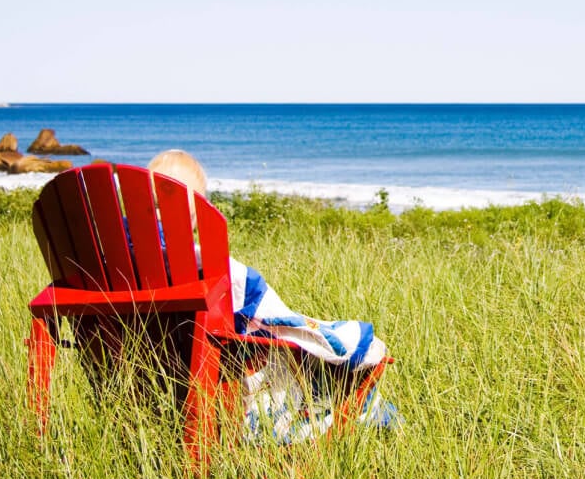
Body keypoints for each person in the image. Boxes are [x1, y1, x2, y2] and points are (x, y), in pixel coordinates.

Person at [147, 150, 400, 442]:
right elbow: (265, 315)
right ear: (197, 212)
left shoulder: (115, 263)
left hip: (154, 372)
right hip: (218, 368)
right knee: (319, 351)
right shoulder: (210, 267)